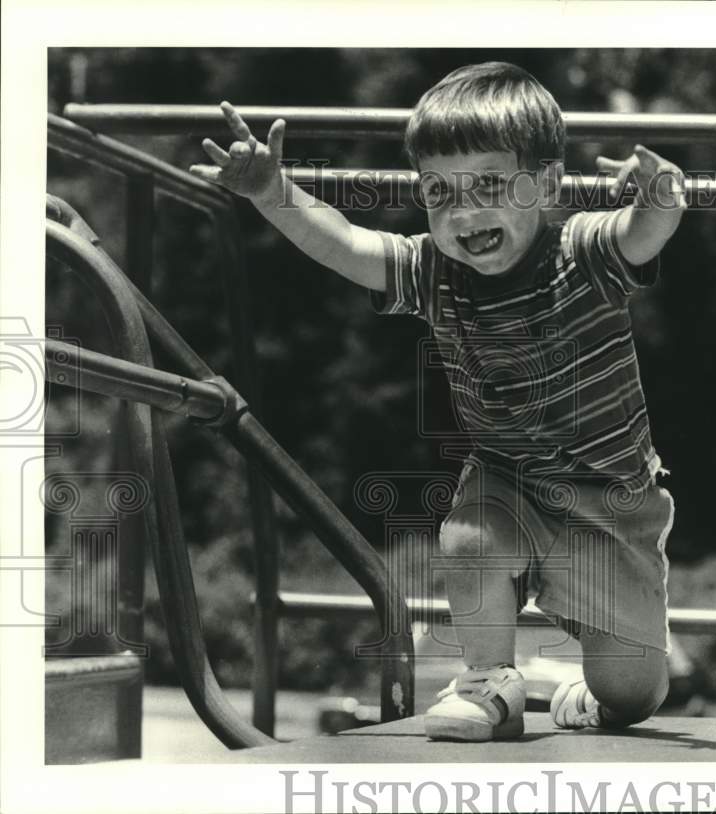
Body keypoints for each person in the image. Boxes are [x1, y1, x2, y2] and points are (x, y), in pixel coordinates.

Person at [191, 61, 686, 742]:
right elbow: (345, 244)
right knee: (469, 536)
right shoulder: (433, 272)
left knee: (628, 694)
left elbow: (643, 234)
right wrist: (272, 192)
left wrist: (660, 197)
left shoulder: (582, 250)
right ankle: (490, 682)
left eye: (488, 184)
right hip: (508, 478)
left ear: (545, 184)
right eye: (439, 191)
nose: (463, 211)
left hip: (611, 500)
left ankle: (594, 686)